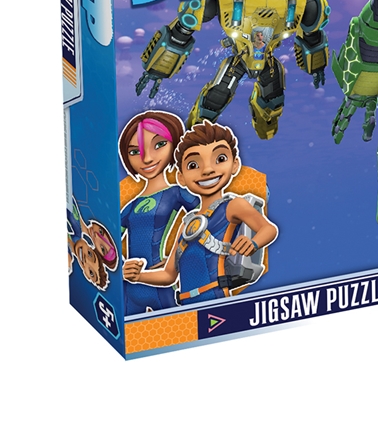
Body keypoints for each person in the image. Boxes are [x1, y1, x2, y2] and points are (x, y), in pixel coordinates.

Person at [123, 122, 277, 305]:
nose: (207, 170)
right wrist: (138, 276)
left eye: (220, 159)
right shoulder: (187, 224)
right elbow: (169, 275)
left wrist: (253, 243)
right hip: (185, 304)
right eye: (193, 165)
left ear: (235, 164)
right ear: (181, 177)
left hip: (214, 298)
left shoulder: (233, 205)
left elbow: (269, 229)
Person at [118, 112, 196, 314]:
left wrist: (176, 258)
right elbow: (109, 242)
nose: (147, 158)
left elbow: (206, 219)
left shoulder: (176, 193)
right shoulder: (131, 205)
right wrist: (122, 266)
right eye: (135, 152)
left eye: (159, 144)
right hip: (130, 285)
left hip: (160, 280)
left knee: (176, 327)